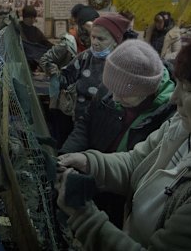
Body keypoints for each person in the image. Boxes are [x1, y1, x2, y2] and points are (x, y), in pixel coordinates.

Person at [56, 35, 191, 250]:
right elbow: (136, 162)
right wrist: (87, 161)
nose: (173, 98)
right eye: (178, 85)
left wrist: (83, 217)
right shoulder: (184, 129)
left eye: (188, 90)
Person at [59, 39, 176, 227]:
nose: (114, 98)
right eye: (112, 90)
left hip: (125, 199)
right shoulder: (113, 85)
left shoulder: (169, 117)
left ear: (148, 90)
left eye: (123, 94)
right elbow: (86, 123)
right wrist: (67, 155)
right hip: (94, 176)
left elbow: (141, 167)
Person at [56, 13, 130, 142]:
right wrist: (54, 75)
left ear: (115, 41)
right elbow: (66, 78)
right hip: (81, 124)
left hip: (109, 127)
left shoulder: (124, 63)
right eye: (93, 37)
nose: (95, 42)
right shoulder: (85, 57)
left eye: (101, 39)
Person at [19, 5, 53, 70]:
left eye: (34, 18)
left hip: (33, 64)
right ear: (24, 18)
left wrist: (56, 48)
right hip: (21, 62)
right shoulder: (18, 29)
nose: (32, 20)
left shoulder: (36, 31)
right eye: (30, 18)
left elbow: (46, 43)